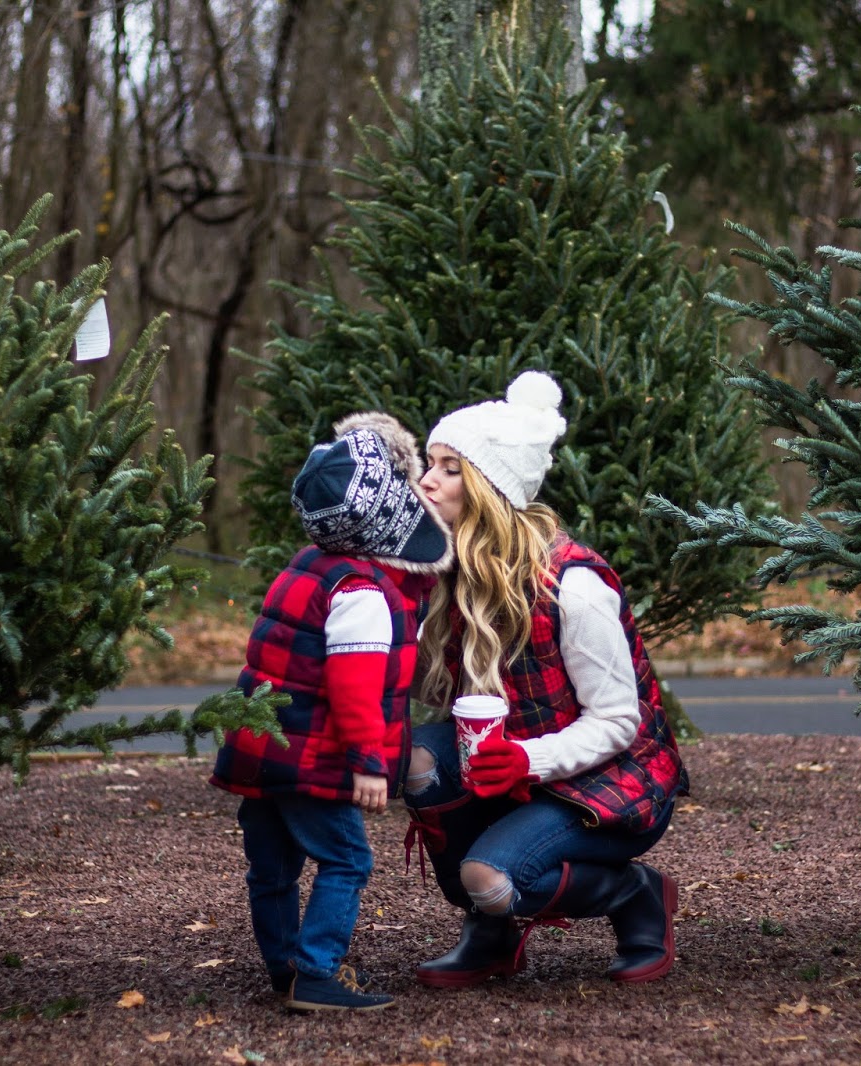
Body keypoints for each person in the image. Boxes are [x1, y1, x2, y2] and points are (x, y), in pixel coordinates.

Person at [403, 370, 688, 988]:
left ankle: (636, 895)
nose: (428, 480)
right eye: (431, 462)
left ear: (489, 487)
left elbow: (618, 722)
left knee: (493, 877)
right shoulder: (450, 573)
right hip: (511, 762)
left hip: (606, 780)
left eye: (450, 467)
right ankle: (492, 933)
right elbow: (421, 686)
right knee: (418, 761)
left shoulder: (573, 589)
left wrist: (525, 761)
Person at [211, 411, 452, 1012]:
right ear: (386, 516)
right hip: (314, 756)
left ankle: (284, 966)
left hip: (263, 749)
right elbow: (353, 688)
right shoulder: (363, 594)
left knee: (272, 868)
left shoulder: (308, 565)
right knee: (347, 859)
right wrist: (369, 762)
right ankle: (317, 972)